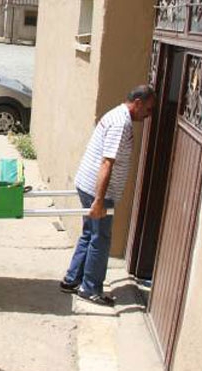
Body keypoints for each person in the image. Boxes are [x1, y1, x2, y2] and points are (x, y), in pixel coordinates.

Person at [59, 85, 156, 306]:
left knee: (89, 233)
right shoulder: (121, 124)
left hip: (88, 184)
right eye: (148, 109)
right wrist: (99, 200)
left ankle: (72, 280)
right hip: (98, 190)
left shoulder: (117, 114)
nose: (149, 115)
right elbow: (106, 163)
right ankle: (90, 288)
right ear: (138, 103)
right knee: (100, 238)